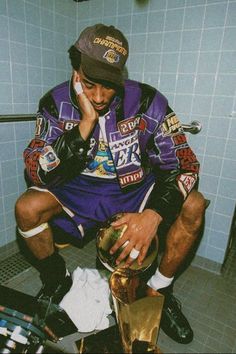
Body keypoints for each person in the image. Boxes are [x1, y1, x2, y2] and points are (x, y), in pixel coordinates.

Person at [15, 24, 206, 344]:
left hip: (134, 192)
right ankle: (56, 281)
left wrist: (154, 215)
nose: (100, 97)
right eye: (90, 85)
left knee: (195, 204)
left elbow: (186, 165)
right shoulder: (54, 103)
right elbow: (36, 171)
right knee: (26, 207)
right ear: (76, 72)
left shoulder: (147, 102)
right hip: (75, 191)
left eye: (109, 85)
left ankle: (160, 291)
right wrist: (84, 126)